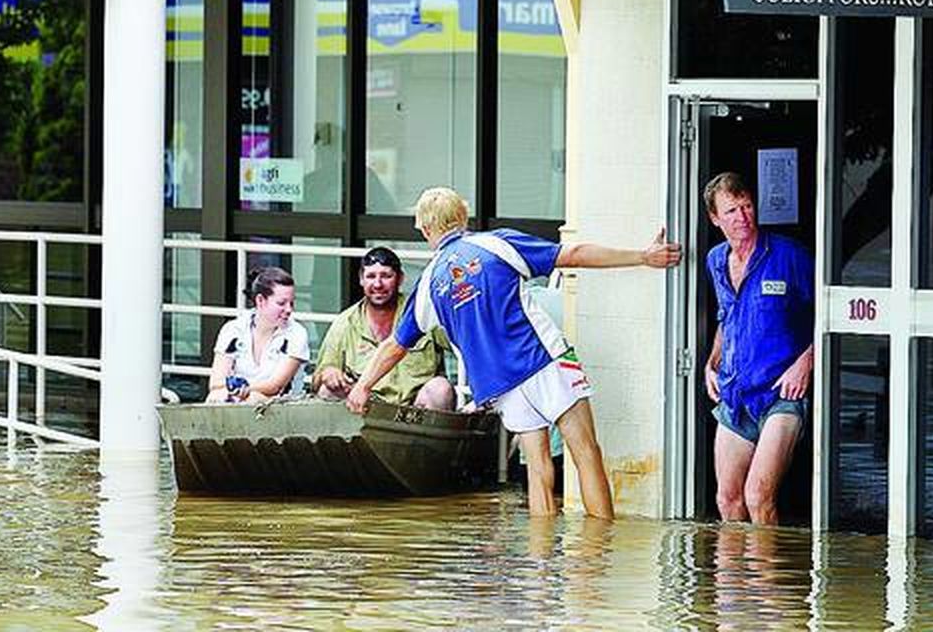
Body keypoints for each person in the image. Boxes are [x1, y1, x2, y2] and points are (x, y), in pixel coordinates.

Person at [346, 186, 681, 519]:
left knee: (538, 470)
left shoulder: (429, 284)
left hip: (501, 385)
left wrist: (363, 386)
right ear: (463, 216)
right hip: (545, 359)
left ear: (424, 229)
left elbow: (395, 346)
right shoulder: (497, 243)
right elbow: (574, 254)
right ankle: (599, 549)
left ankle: (540, 553)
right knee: (585, 452)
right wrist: (642, 257)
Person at [702, 172, 814, 525]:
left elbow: (830, 315)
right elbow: (728, 317)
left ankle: (768, 565)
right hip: (736, 395)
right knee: (728, 499)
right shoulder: (716, 260)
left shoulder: (789, 256)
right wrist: (711, 363)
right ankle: (734, 566)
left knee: (758, 496)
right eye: (731, 210)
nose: (742, 217)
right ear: (715, 218)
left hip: (781, 393)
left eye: (747, 206)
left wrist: (806, 361)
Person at [311, 246, 455, 409]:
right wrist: (329, 373)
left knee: (440, 388)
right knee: (327, 390)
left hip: (417, 411)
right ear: (361, 279)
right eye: (371, 276)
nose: (378, 284)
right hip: (366, 410)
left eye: (386, 276)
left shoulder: (420, 314)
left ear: (400, 278)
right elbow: (319, 378)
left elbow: (465, 345)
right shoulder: (345, 322)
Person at [205, 265, 311, 404]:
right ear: (260, 300)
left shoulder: (297, 333)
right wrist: (237, 392)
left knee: (253, 399)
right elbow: (215, 383)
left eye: (291, 303)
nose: (289, 309)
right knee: (216, 396)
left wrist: (244, 389)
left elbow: (275, 386)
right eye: (281, 303)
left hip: (281, 405)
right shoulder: (233, 329)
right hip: (238, 398)